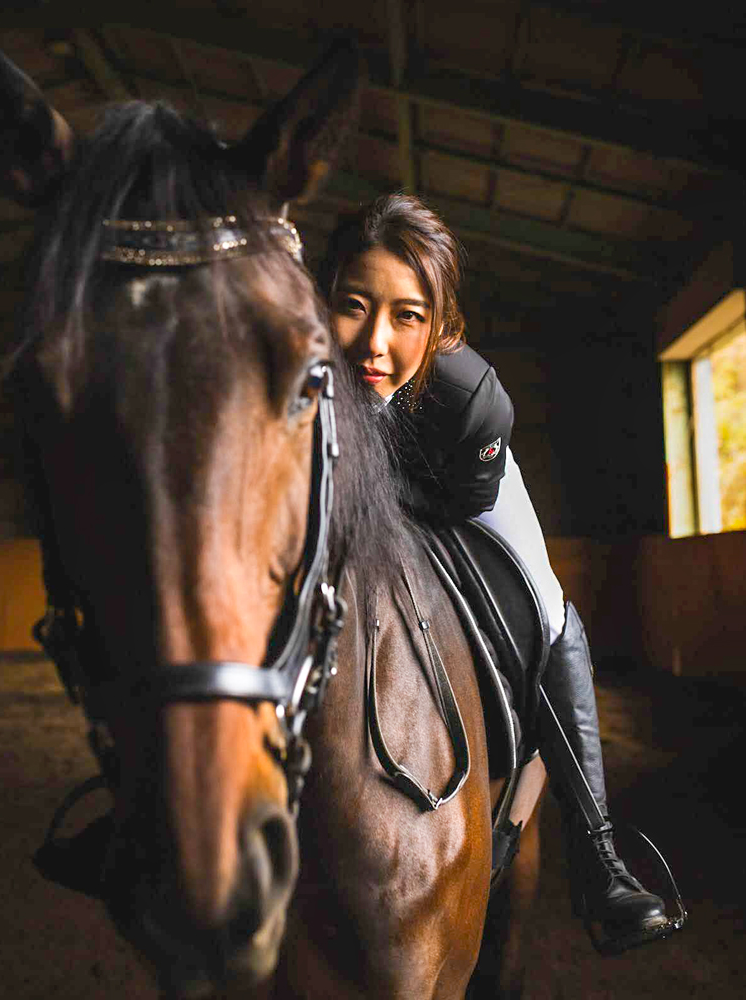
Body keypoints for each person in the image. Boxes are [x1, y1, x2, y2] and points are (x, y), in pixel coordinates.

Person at [320, 192, 673, 954]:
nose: (373, 343)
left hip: (453, 489)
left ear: (440, 326)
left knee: (547, 610)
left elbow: (459, 501)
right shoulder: (297, 365)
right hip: (349, 480)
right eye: (353, 306)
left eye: (407, 316)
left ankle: (601, 859)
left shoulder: (473, 400)